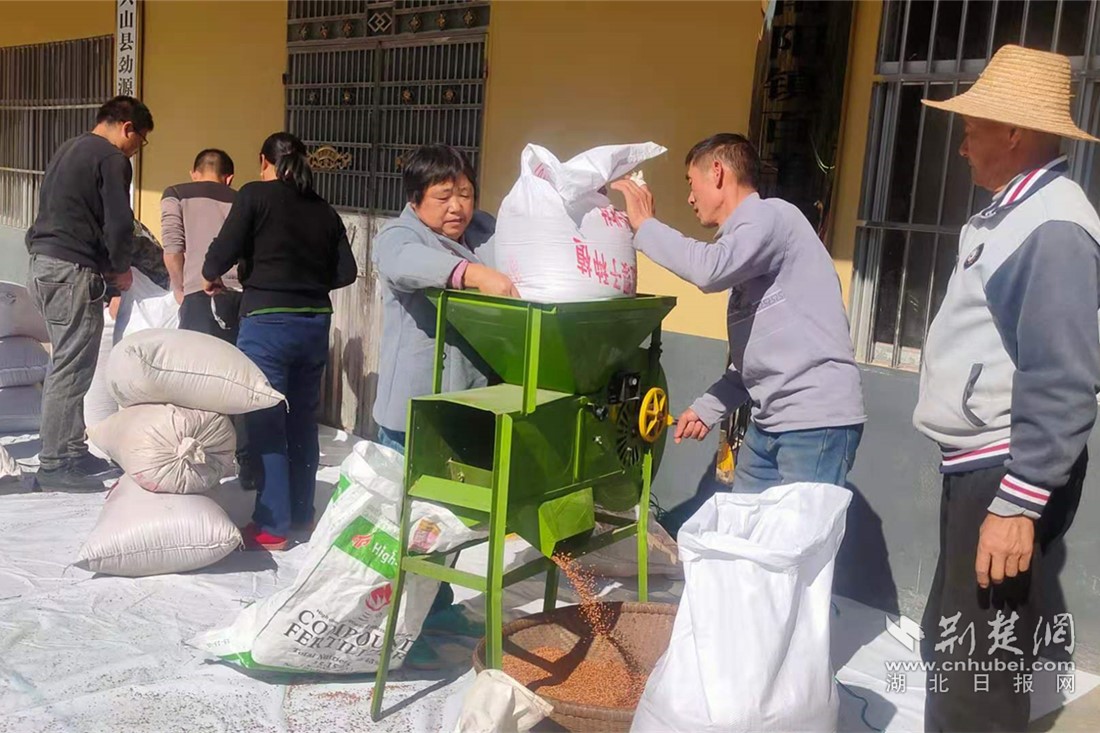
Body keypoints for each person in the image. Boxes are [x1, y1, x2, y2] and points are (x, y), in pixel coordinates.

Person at [912, 45, 1100, 732]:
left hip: (1003, 468)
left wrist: (1018, 503)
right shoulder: (1011, 214)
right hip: (981, 464)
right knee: (958, 643)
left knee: (976, 677)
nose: (963, 147)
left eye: (971, 130)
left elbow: (1064, 376)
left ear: (1015, 133)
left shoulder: (1052, 226)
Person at [611, 133, 866, 491]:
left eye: (691, 183)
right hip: (769, 422)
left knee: (797, 529)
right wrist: (706, 409)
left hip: (814, 421)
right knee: (743, 523)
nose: (689, 198)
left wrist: (646, 226)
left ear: (717, 172)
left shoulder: (770, 216)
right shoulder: (747, 249)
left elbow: (709, 270)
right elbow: (751, 364)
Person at [372, 144, 517, 669]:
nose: (458, 207)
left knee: (445, 523)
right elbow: (405, 265)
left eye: (466, 194)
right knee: (404, 526)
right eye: (443, 196)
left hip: (465, 405)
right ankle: (389, 623)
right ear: (416, 199)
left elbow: (520, 244)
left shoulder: (481, 231)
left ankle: (435, 610)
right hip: (414, 412)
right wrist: (475, 275)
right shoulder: (399, 236)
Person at [202, 132, 356, 551]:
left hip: (268, 322)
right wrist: (306, 281)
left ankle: (272, 526)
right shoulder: (324, 209)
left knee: (267, 419)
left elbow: (220, 254)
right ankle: (302, 513)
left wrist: (212, 276)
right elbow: (347, 272)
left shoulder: (255, 195)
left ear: (263, 161)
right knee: (302, 420)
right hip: (314, 323)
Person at [25, 95, 153, 493]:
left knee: (68, 363)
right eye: (141, 140)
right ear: (127, 128)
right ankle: (55, 463)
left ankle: (72, 449)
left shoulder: (70, 148)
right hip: (71, 271)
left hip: (44, 266)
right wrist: (120, 270)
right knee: (71, 367)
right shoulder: (112, 159)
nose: (137, 149)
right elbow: (118, 223)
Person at [162, 149, 254, 491]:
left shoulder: (175, 193)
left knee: (195, 381)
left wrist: (179, 287)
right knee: (239, 379)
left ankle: (198, 459)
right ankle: (247, 462)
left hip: (198, 294)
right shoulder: (242, 199)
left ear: (194, 171)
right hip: (238, 296)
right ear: (229, 177)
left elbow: (173, 248)